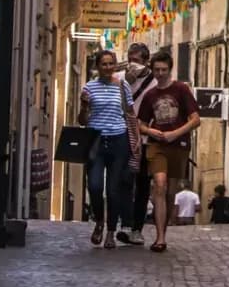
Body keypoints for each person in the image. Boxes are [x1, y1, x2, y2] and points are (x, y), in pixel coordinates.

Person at [136, 47, 200, 252]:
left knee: (171, 192)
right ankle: (160, 238)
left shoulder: (181, 90)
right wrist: (151, 131)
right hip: (157, 145)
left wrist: (175, 133)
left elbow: (195, 120)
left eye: (164, 69)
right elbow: (140, 124)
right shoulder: (150, 95)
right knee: (160, 185)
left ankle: (162, 231)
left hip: (178, 145)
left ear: (170, 70)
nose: (160, 73)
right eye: (157, 70)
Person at [78, 49, 135, 250]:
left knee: (113, 189)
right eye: (104, 64)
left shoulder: (123, 86)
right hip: (96, 140)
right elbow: (82, 121)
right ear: (97, 66)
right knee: (94, 186)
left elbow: (130, 113)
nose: (108, 67)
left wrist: (134, 140)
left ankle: (110, 231)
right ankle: (99, 221)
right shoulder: (89, 87)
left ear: (115, 65)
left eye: (111, 63)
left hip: (119, 139)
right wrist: (84, 107)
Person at [120, 42, 155, 246]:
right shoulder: (121, 79)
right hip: (124, 136)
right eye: (130, 59)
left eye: (136, 60)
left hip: (146, 140)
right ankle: (125, 224)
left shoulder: (155, 82)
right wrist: (127, 82)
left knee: (142, 184)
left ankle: (136, 229)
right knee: (124, 181)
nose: (132, 64)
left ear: (146, 61)